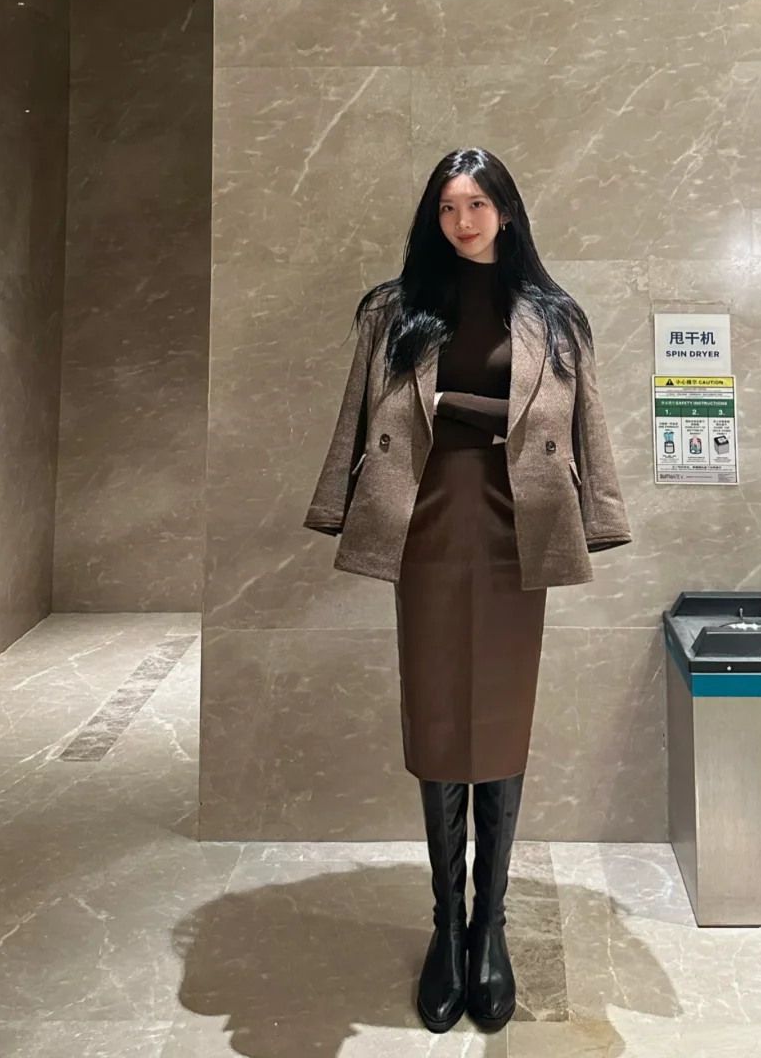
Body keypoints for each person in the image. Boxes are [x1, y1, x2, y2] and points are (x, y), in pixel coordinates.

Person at [304, 148, 631, 1033]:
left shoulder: (553, 316)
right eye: (448, 206)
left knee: (502, 713)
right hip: (425, 522)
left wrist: (601, 512)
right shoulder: (394, 309)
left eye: (478, 204)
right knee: (439, 712)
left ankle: (491, 926)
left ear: (506, 212)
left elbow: (586, 422)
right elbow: (356, 412)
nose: (462, 221)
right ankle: (446, 926)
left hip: (516, 525)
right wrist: (336, 502)